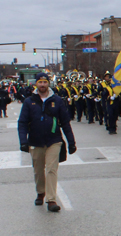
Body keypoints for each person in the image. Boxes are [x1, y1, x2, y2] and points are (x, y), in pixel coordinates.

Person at [18, 73, 77, 212]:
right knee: (38, 171)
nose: (43, 85)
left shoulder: (57, 100)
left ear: (48, 83)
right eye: (40, 82)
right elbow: (22, 123)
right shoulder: (29, 101)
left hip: (54, 140)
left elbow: (65, 123)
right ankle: (40, 192)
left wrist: (71, 142)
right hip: (35, 141)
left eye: (45, 82)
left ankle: (51, 200)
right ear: (36, 84)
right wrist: (23, 141)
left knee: (51, 169)